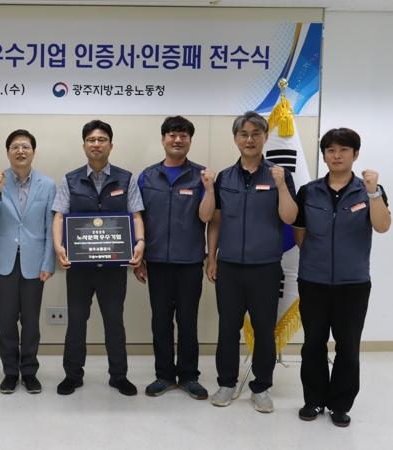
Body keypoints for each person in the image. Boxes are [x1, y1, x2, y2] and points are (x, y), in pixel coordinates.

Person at [292, 128, 390, 427]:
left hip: (353, 283)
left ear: (355, 154)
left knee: (348, 346)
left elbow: (382, 226)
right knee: (313, 343)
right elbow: (300, 234)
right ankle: (313, 400)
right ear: (324, 155)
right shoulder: (309, 191)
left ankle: (340, 404)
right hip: (313, 281)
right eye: (331, 150)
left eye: (344, 150)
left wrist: (373, 192)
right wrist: (318, 259)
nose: (337, 155)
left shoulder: (369, 190)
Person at [206, 111, 297, 413]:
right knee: (228, 328)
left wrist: (281, 186)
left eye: (256, 134)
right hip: (229, 265)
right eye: (243, 134)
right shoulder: (225, 177)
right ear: (235, 139)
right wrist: (212, 257)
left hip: (265, 266)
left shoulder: (279, 175)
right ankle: (227, 383)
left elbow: (290, 217)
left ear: (265, 137)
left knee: (264, 329)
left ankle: (262, 387)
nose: (250, 139)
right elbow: (215, 221)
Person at [52, 119, 145, 396]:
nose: (96, 144)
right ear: (84, 146)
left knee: (114, 322)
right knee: (76, 322)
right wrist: (58, 246)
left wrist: (140, 242)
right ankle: (72, 375)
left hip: (113, 267)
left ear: (111, 145)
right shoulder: (70, 180)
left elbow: (136, 216)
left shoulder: (126, 179)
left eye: (102, 140)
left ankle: (119, 376)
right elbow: (59, 216)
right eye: (91, 140)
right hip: (79, 268)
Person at [134, 116, 215, 400]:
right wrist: (139, 257)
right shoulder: (147, 176)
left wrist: (209, 188)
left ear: (190, 140)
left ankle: (190, 376)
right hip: (156, 261)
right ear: (163, 139)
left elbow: (207, 217)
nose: (177, 140)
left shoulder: (201, 176)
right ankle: (165, 375)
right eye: (172, 135)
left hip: (189, 261)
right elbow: (137, 218)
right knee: (161, 322)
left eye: (183, 135)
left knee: (188, 323)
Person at [0, 129, 57, 394]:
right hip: (4, 261)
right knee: (6, 320)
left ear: (33, 152)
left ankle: (30, 371)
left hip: (35, 262)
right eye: (15, 146)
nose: (20, 151)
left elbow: (51, 227)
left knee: (31, 322)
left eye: (25, 146)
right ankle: (10, 372)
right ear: (8, 152)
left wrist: (48, 263)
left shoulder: (48, 184)